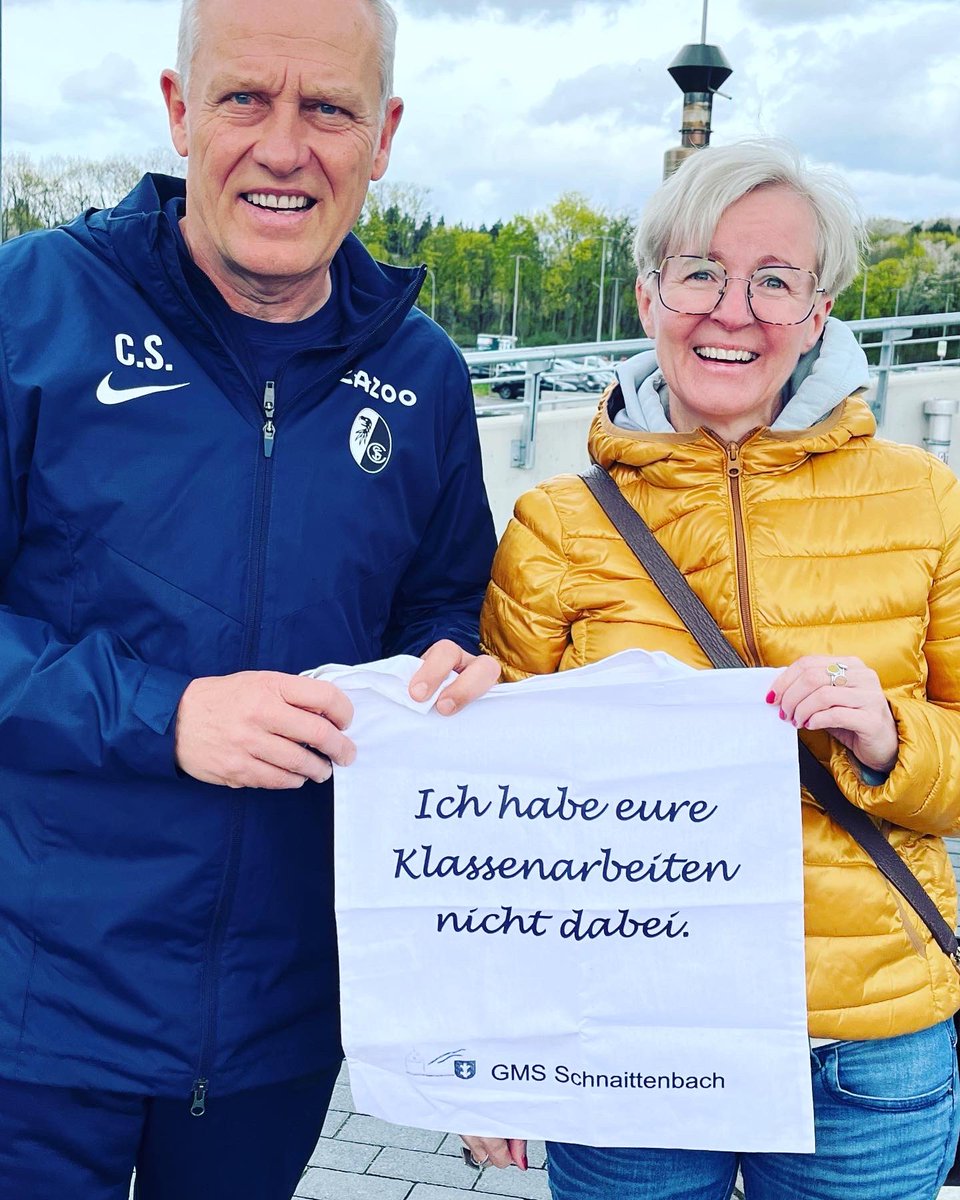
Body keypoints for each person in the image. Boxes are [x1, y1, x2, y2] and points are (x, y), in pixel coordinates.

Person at [0, 0, 499, 1195]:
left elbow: (438, 611)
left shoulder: (423, 373)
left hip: (283, 1025)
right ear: (180, 113)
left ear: (381, 136)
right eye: (245, 100)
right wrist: (165, 716)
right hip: (33, 1011)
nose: (285, 147)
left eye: (327, 108)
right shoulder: (32, 310)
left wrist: (453, 671)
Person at [465, 140, 960, 1199]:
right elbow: (497, 820)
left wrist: (892, 736)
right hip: (629, 1039)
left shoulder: (926, 499)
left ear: (818, 313)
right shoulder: (556, 525)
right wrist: (496, 1054)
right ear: (649, 296)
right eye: (700, 272)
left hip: (861, 1043)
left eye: (775, 280)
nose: (732, 311)